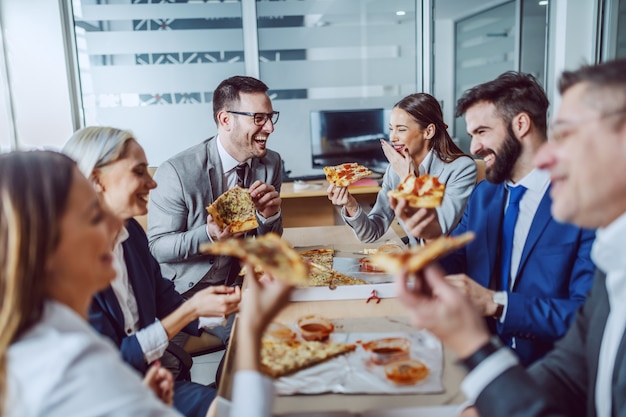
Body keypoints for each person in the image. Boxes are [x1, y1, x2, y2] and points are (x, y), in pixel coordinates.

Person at [395, 58, 626, 417]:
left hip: (521, 363)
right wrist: (427, 239)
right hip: (491, 369)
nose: (472, 148)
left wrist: (495, 306)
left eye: (566, 134)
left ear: (520, 125)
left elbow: (576, 326)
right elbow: (573, 365)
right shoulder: (485, 195)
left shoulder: (581, 209)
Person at [63, 127, 242, 417]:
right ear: (97, 180)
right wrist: (190, 312)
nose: (152, 183)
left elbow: (162, 295)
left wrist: (233, 304)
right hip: (106, 400)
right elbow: (113, 361)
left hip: (152, 384)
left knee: (228, 406)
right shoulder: (69, 264)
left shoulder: (131, 231)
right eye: (139, 172)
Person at [0, 150, 185, 416]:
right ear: (43, 247)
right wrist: (249, 331)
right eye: (94, 216)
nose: (114, 225)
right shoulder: (72, 362)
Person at [147, 76, 283, 342]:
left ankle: (228, 382)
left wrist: (270, 217)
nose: (269, 127)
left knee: (271, 344)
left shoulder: (271, 164)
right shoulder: (177, 172)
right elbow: (158, 247)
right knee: (170, 367)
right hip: (183, 296)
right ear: (225, 120)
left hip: (239, 288)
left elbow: (268, 244)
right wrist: (208, 235)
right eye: (258, 118)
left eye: (270, 116)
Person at [327, 93, 477, 245]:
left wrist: (407, 179)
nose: (392, 137)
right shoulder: (394, 170)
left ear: (428, 131)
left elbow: (433, 234)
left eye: (401, 129)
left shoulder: (461, 169)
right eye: (391, 129)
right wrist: (351, 205)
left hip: (444, 262)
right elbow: (371, 232)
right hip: (412, 259)